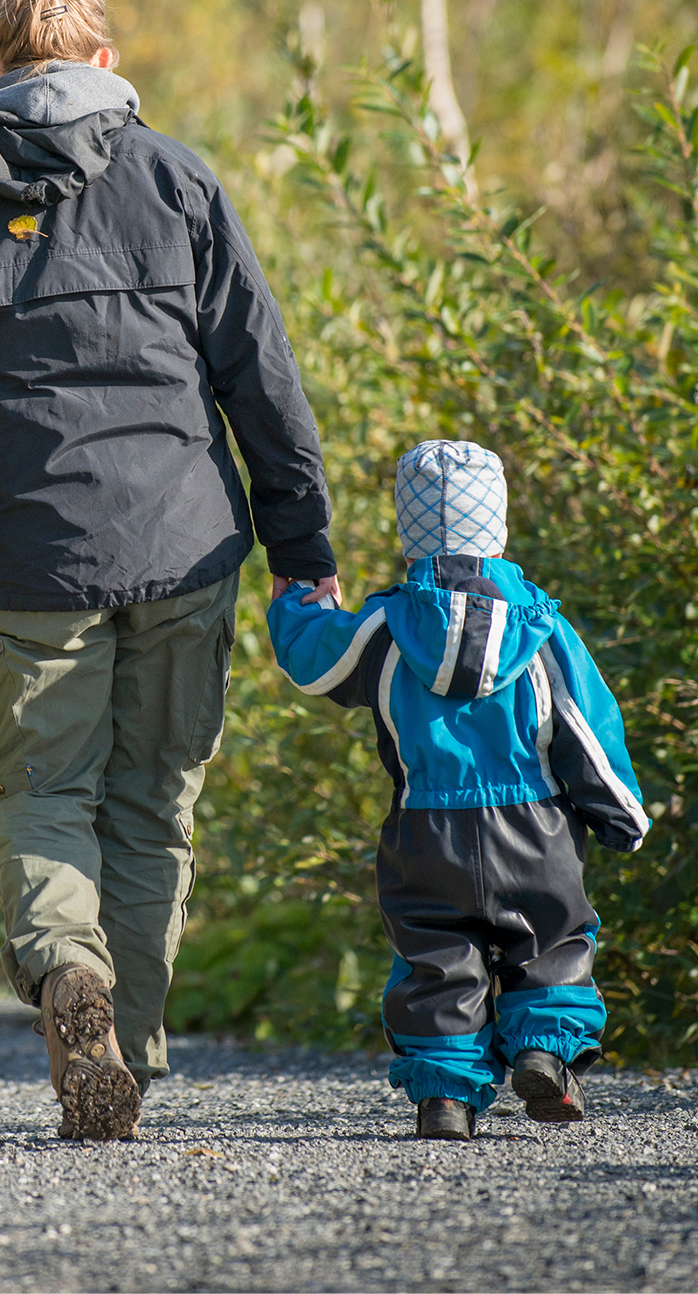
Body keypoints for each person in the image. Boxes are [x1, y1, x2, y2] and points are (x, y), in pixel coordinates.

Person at [0, 0, 337, 1140]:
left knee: (36, 796)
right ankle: (123, 1040)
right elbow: (259, 376)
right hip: (182, 545)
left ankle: (69, 976)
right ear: (106, 59)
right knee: (153, 797)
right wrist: (306, 552)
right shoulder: (177, 181)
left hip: (26, 564)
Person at [266, 440, 649, 1140]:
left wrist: (296, 602)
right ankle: (543, 1053)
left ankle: (445, 1097)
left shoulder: (386, 628)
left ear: (408, 534)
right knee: (550, 940)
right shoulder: (540, 627)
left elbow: (312, 662)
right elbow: (587, 728)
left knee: (438, 955)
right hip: (533, 825)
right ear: (496, 526)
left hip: (425, 831)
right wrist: (620, 812)